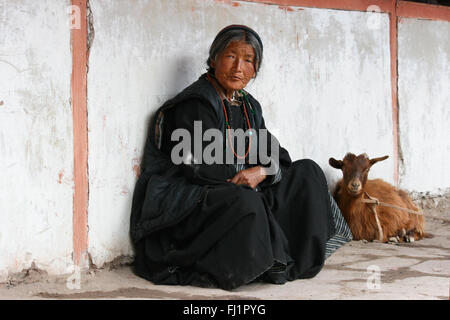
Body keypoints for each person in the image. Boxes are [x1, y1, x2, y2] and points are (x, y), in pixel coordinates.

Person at [130, 25, 352, 291]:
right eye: (231, 56)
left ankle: (291, 259)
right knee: (246, 200)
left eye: (248, 60)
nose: (238, 67)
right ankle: (258, 260)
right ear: (213, 60)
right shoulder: (196, 103)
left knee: (307, 173)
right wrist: (250, 176)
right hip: (190, 197)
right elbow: (200, 168)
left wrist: (263, 172)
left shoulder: (248, 105)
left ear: (255, 70)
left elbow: (277, 155)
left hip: (238, 186)